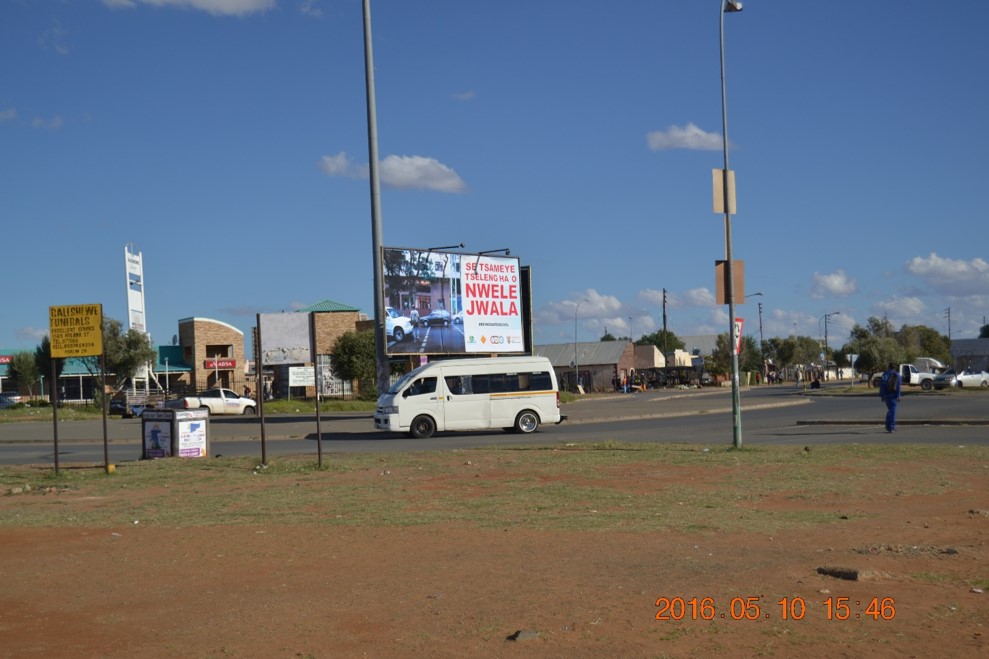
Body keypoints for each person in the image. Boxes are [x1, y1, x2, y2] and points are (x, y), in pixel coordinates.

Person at [879, 362, 901, 433]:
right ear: (895, 368)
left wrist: (882, 395)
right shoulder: (896, 375)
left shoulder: (884, 374)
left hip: (886, 395)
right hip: (893, 395)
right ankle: (890, 427)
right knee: (892, 411)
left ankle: (888, 426)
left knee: (890, 410)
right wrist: (898, 396)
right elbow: (898, 386)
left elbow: (881, 385)